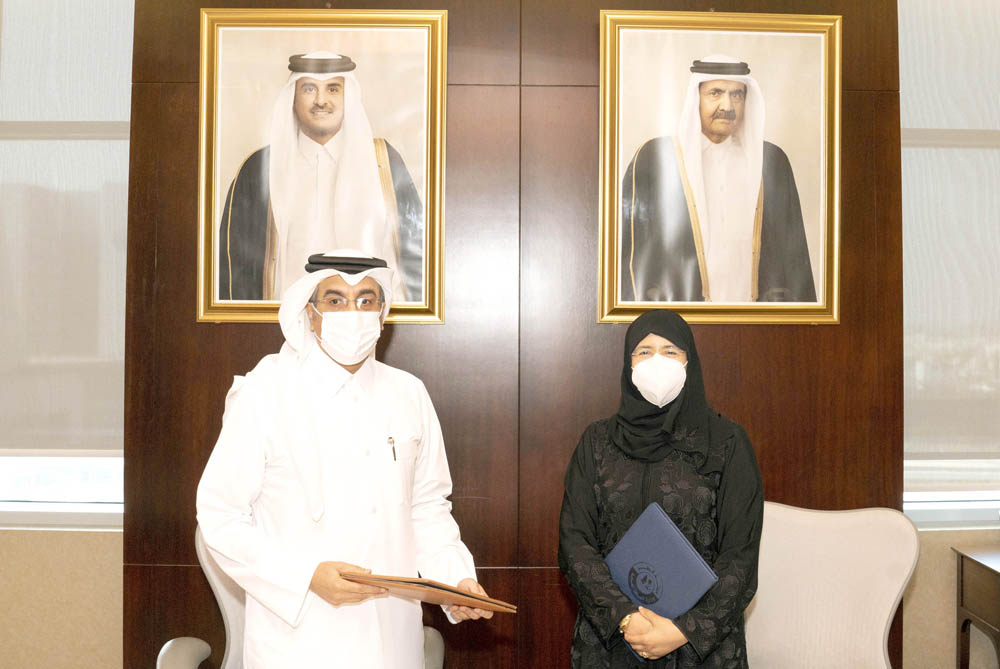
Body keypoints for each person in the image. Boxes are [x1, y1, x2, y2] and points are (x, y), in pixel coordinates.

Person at [197, 250, 491, 668]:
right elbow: (220, 516)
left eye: (366, 300)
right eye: (335, 300)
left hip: (393, 639)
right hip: (299, 641)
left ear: (382, 315)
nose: (353, 313)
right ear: (311, 313)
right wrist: (306, 577)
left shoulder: (409, 393)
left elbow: (427, 508)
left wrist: (455, 581)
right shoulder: (265, 393)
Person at [558, 309, 763, 668]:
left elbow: (740, 555)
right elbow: (575, 542)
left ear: (689, 361)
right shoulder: (596, 442)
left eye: (670, 351)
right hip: (612, 642)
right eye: (644, 351)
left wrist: (683, 630)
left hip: (702, 648)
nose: (657, 361)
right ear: (628, 364)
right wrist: (627, 619)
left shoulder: (727, 441)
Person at [218, 52, 423, 303]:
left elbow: (416, 255)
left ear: (349, 97)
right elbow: (234, 265)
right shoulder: (259, 168)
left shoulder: (383, 161)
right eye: (309, 89)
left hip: (366, 320)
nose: (321, 101)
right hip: (281, 320)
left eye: (333, 89)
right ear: (293, 98)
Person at [621, 55, 816, 304]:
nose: (727, 105)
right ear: (696, 98)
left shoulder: (772, 161)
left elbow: (794, 255)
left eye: (737, 95)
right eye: (715, 93)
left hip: (756, 317)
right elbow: (633, 253)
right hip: (681, 317)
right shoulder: (655, 158)